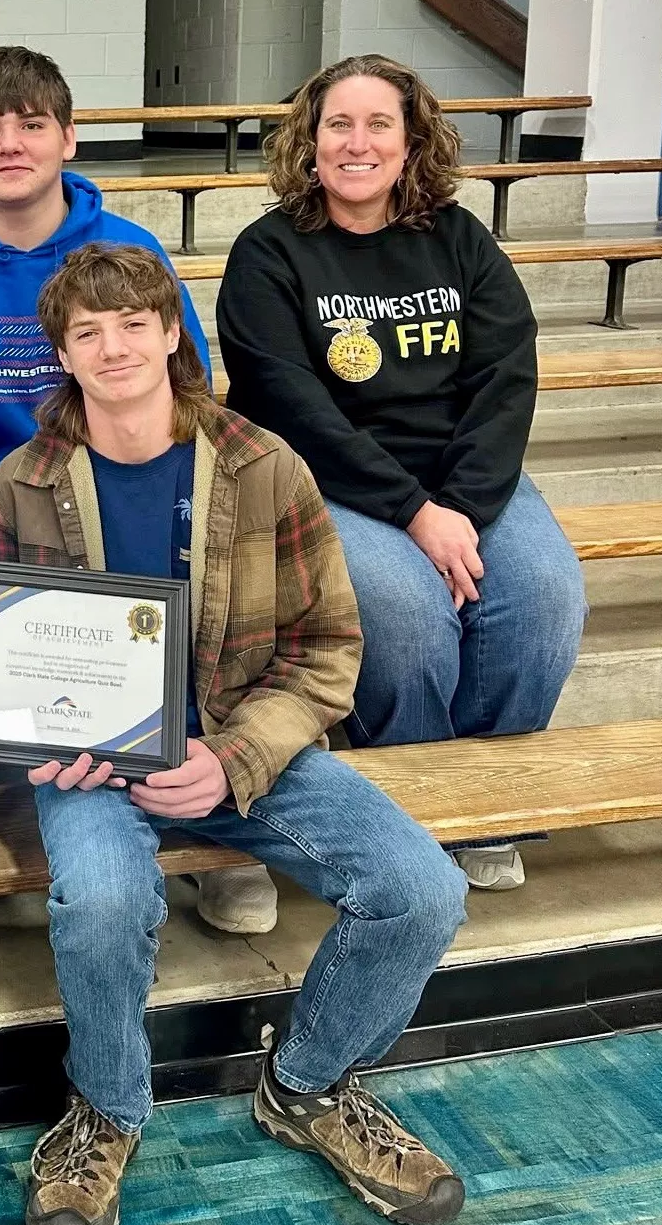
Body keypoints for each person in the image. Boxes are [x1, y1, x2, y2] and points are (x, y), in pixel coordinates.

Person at [0, 242, 471, 1225]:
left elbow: (327, 649)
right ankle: (106, 1112)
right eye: (86, 332)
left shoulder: (261, 466)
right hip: (100, 771)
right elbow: (15, 662)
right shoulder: (20, 486)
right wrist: (53, 743)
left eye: (132, 323)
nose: (112, 347)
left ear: (171, 333)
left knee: (419, 889)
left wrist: (234, 756)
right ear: (61, 354)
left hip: (249, 744)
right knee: (105, 900)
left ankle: (304, 1086)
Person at [0, 44, 271, 934]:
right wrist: (31, 484)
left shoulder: (128, 249)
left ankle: (223, 829)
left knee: (212, 566)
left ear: (70, 138)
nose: (9, 143)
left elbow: (190, 393)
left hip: (126, 477)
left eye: (30, 124)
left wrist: (103, 482)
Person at [217, 54, 586, 896]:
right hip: (334, 481)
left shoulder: (458, 238)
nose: (357, 142)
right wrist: (416, 512)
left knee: (544, 593)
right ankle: (415, 800)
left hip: (465, 477)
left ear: (411, 139)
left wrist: (463, 502)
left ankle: (486, 802)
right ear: (309, 143)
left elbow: (505, 377)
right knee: (405, 615)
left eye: (378, 123)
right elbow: (291, 404)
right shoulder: (269, 253)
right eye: (337, 124)